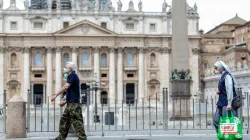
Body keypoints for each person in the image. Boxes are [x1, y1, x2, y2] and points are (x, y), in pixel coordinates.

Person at [51, 62, 86, 140]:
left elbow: (66, 87)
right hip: (70, 103)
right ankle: (61, 137)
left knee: (77, 122)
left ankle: (82, 138)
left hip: (74, 104)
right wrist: (65, 99)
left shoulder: (73, 75)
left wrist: (56, 95)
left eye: (66, 67)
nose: (64, 69)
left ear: (70, 68)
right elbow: (71, 90)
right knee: (64, 120)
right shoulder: (70, 76)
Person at [213, 61, 238, 133]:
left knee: (227, 122)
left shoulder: (227, 76)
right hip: (221, 102)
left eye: (216, 67)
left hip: (226, 103)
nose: (215, 69)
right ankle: (221, 135)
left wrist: (229, 103)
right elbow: (224, 88)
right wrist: (219, 90)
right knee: (216, 120)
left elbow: (229, 90)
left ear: (221, 67)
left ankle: (227, 136)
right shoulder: (222, 76)